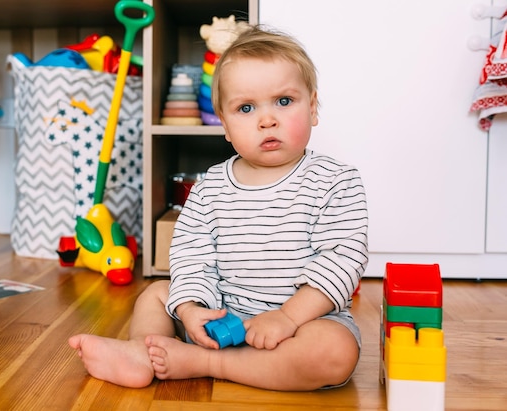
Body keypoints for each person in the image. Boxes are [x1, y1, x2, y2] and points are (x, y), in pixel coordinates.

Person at [69, 25, 369, 391]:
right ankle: (139, 353)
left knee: (333, 351)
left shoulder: (336, 181)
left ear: (313, 107)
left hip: (300, 323)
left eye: (284, 101)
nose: (267, 119)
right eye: (246, 108)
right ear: (225, 126)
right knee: (157, 295)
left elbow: (342, 260)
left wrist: (287, 318)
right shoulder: (209, 188)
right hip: (221, 313)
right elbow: (191, 255)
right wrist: (192, 309)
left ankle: (207, 362)